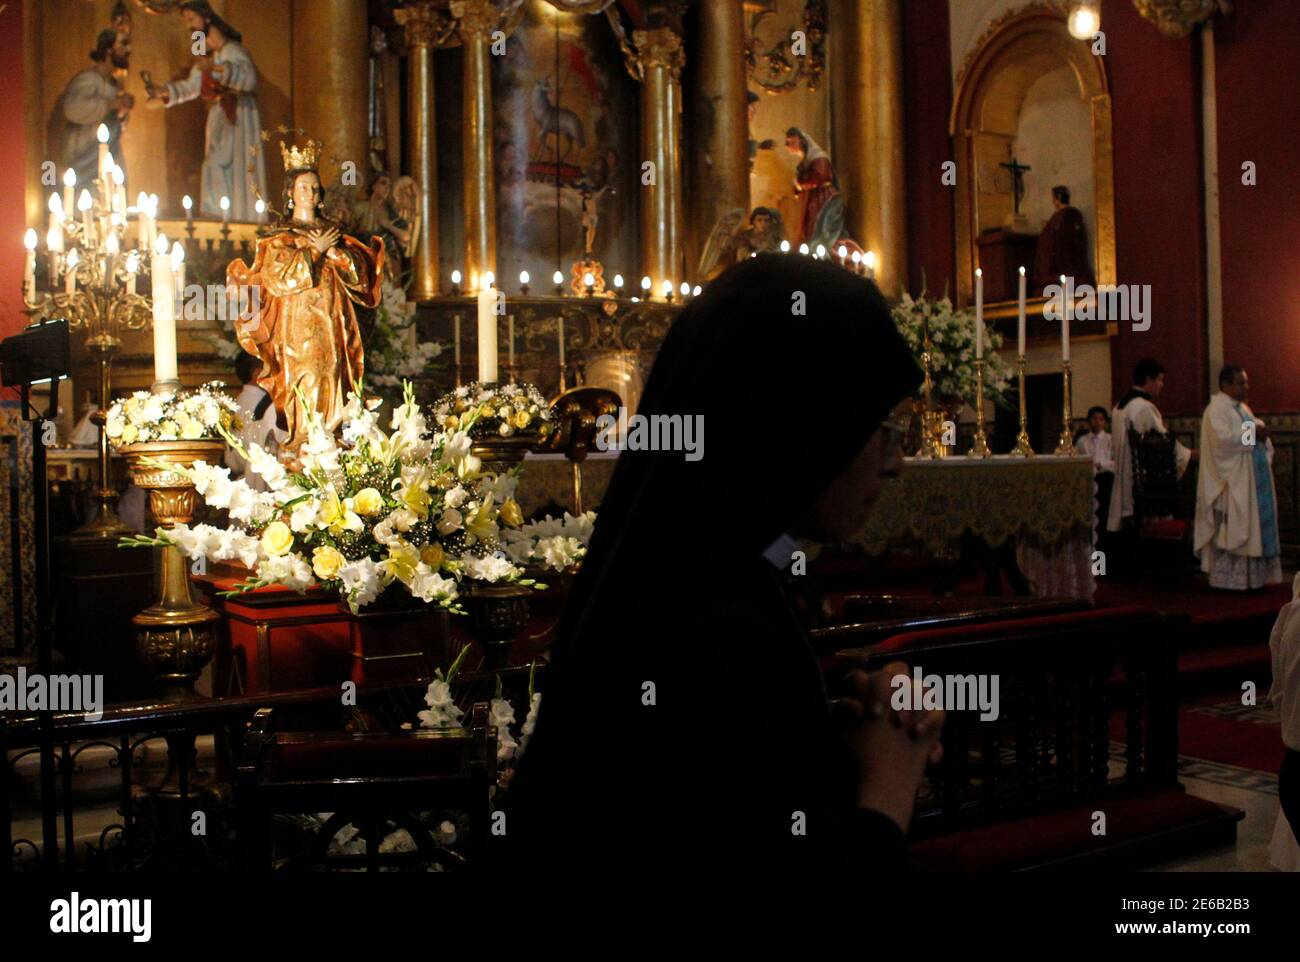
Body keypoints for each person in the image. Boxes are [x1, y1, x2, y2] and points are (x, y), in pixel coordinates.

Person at [504, 254, 944, 875]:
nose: (896, 462)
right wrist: (890, 783)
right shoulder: (719, 624)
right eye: (882, 428)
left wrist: (840, 735)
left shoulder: (686, 565)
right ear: (800, 423)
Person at [229, 140, 384, 455]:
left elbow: (359, 279)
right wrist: (315, 251)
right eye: (303, 188)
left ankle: (333, 436)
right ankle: (304, 439)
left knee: (336, 371)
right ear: (290, 193)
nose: (311, 194)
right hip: (299, 324)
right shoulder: (279, 238)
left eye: (315, 188)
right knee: (307, 376)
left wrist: (336, 254)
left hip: (334, 321)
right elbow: (278, 279)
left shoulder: (334, 233)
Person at [146, 4, 266, 222]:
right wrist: (165, 92)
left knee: (221, 163)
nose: (189, 24)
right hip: (220, 116)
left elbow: (248, 78)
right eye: (186, 20)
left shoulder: (233, 51)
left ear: (206, 17)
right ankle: (218, 215)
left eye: (191, 18)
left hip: (237, 116)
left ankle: (236, 216)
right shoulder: (207, 51)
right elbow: (193, 83)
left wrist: (223, 70)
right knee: (213, 164)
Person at [1194, 367, 1282, 590]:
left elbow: (1250, 432)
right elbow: (1223, 441)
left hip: (1250, 478)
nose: (1246, 387)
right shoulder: (1216, 410)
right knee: (1235, 528)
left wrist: (1259, 433)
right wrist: (1255, 432)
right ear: (1225, 384)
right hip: (1231, 483)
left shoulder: (1241, 408)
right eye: (1241, 383)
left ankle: (1253, 579)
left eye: (1246, 382)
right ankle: (1230, 580)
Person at [1107, 358, 1194, 534]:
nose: (1162, 385)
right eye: (1160, 379)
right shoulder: (1144, 408)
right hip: (1144, 485)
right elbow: (1164, 447)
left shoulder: (1119, 406)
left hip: (1123, 480)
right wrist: (1189, 454)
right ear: (1148, 379)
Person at [58, 30, 134, 189]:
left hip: (107, 153)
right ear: (108, 49)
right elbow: (72, 109)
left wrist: (121, 111)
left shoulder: (112, 83)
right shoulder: (89, 79)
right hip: (86, 152)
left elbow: (112, 120)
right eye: (123, 44)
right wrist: (111, 104)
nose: (128, 50)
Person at [784, 127, 858, 254]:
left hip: (824, 200)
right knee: (810, 231)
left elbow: (820, 176)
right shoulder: (806, 161)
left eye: (792, 142)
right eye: (787, 143)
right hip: (812, 200)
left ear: (801, 141)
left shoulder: (819, 158)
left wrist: (800, 183)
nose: (788, 146)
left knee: (822, 230)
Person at [224, 351, 287, 489]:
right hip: (259, 478)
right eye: (269, 368)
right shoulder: (263, 404)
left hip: (245, 474)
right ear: (257, 373)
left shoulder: (238, 401)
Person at [1032, 185, 1093, 291]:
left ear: (1057, 199)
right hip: (1075, 271)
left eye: (1053, 199)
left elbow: (1051, 245)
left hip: (1062, 272)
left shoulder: (1059, 219)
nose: (1053, 202)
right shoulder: (1074, 216)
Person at [1076, 405, 1115, 543]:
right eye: (1094, 419)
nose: (1097, 422)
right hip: (1087, 480)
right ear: (1088, 421)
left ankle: (1104, 538)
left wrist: (1100, 464)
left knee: (1103, 513)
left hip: (1105, 480)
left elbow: (1116, 463)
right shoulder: (1082, 441)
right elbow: (1077, 460)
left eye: (1101, 419)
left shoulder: (1111, 440)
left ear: (1105, 422)